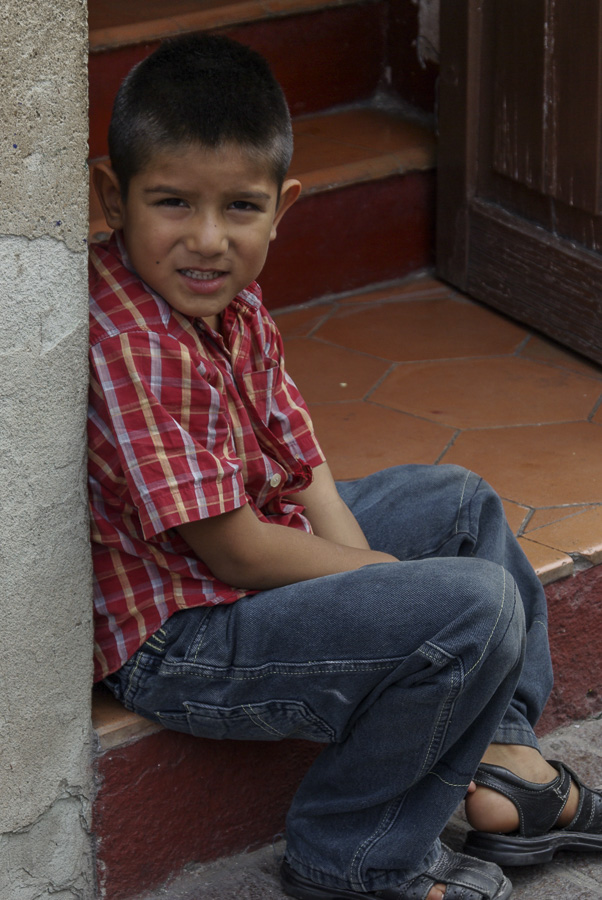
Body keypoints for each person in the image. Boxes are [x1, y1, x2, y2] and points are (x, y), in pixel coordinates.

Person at [88, 32, 602, 900]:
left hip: (245, 569)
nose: (207, 240)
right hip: (181, 638)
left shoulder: (226, 300)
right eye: (172, 203)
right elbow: (237, 553)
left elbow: (301, 458)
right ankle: (354, 857)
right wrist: (388, 585)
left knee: (462, 506)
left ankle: (503, 764)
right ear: (114, 197)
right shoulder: (131, 341)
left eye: (240, 208)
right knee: (469, 606)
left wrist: (379, 587)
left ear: (281, 207)